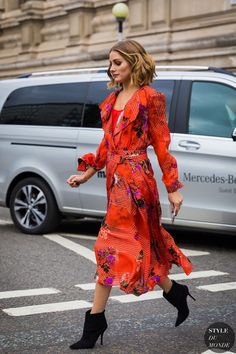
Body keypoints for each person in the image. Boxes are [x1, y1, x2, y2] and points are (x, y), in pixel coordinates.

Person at [67, 39, 196, 350]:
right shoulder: (112, 101)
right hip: (115, 184)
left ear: (134, 63)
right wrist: (87, 172)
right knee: (138, 248)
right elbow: (107, 144)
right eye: (110, 63)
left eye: (118, 62)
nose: (112, 68)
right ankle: (174, 293)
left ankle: (94, 322)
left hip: (138, 184)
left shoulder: (150, 98)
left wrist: (173, 188)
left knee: (110, 249)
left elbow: (162, 145)